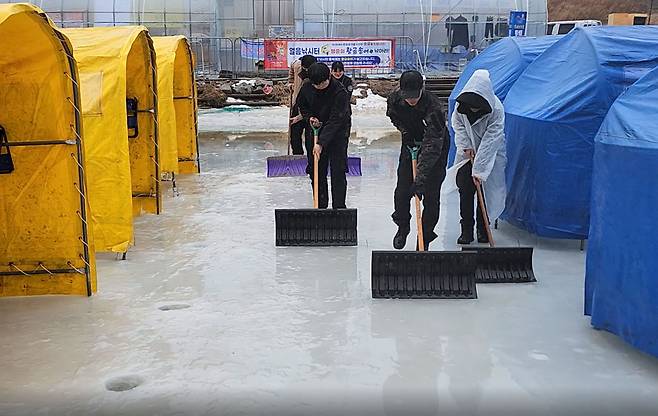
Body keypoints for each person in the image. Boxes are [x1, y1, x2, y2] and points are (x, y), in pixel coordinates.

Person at [386, 70, 449, 251]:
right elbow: (393, 115)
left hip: (435, 149)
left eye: (415, 96)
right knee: (402, 191)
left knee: (430, 195)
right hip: (410, 144)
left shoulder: (434, 107)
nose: (411, 100)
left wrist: (420, 178)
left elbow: (432, 145)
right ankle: (402, 227)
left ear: (422, 89)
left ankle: (425, 237)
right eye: (408, 97)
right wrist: (405, 131)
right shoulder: (395, 99)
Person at [452, 69, 507, 245]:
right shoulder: (461, 105)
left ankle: (483, 230)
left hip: (490, 154)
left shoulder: (496, 109)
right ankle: (466, 230)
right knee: (465, 190)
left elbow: (491, 140)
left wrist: (480, 170)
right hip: (467, 153)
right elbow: (458, 125)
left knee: (485, 193)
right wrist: (465, 146)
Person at [296, 63, 351, 209]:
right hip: (315, 130)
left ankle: (339, 207)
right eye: (316, 85)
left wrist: (321, 143)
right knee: (316, 170)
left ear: (329, 77)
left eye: (322, 83)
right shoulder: (307, 87)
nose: (319, 87)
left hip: (338, 132)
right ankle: (320, 207)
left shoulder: (340, 92)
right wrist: (310, 118)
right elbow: (302, 105)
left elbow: (336, 120)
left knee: (338, 170)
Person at [288, 55, 317, 155]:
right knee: (294, 133)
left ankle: (311, 158)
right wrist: (291, 82)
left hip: (312, 107)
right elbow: (292, 68)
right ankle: (297, 156)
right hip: (297, 103)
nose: (306, 71)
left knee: (310, 137)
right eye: (305, 68)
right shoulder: (297, 66)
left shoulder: (318, 72)